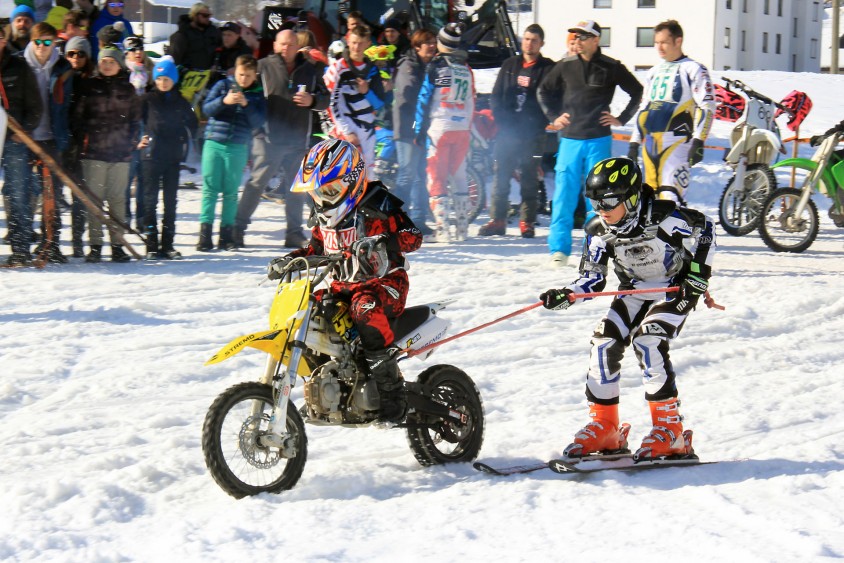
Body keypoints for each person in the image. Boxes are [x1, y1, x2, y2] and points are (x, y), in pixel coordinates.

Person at [539, 156, 715, 461]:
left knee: (648, 340)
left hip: (674, 287)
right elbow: (592, 279)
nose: (602, 211)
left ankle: (671, 432)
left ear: (631, 197)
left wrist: (698, 276)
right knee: (603, 341)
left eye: (608, 202)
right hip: (634, 290)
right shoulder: (598, 230)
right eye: (595, 203)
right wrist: (567, 294)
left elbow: (705, 230)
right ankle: (606, 427)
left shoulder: (664, 218)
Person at [266, 139, 423, 422]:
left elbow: (413, 236)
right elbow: (315, 249)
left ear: (351, 180)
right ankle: (329, 387)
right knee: (310, 312)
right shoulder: (325, 217)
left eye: (330, 190)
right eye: (318, 193)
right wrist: (290, 259)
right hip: (342, 287)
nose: (324, 200)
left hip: (384, 285)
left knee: (365, 309)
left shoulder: (378, 202)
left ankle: (391, 392)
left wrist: (384, 242)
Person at [538, 20, 642, 268]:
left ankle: (596, 248)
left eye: (584, 36)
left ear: (596, 40)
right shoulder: (565, 64)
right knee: (564, 196)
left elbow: (637, 91)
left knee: (600, 199)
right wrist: (554, 117)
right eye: (576, 35)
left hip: (598, 139)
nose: (578, 40)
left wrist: (622, 118)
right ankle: (559, 250)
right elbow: (543, 90)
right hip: (570, 140)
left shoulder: (611, 66)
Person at [233, 29, 328, 250]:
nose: (287, 48)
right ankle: (237, 229)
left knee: (296, 189)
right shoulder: (263, 66)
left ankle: (293, 233)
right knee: (257, 184)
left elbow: (325, 98)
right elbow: (247, 92)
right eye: (283, 44)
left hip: (297, 139)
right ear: (275, 45)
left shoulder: (310, 70)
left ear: (298, 46)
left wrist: (312, 99)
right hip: (269, 138)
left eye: (291, 44)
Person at [628, 20, 716, 204]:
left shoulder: (694, 69)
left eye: (664, 42)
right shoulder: (654, 71)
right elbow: (644, 107)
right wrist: (634, 142)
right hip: (651, 141)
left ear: (678, 41)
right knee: (649, 198)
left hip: (676, 141)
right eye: (656, 42)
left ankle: (674, 232)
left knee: (670, 196)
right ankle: (653, 233)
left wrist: (699, 140)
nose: (659, 47)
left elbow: (707, 106)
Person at [479, 23, 554, 238]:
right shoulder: (510, 65)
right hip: (508, 132)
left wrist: (542, 121)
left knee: (530, 177)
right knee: (501, 175)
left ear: (541, 44)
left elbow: (554, 96)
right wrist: (503, 123)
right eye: (527, 39)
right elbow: (496, 96)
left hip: (533, 134)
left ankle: (527, 221)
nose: (530, 43)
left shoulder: (547, 68)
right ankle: (497, 220)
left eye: (535, 40)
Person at [72, 46, 141, 263]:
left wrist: (130, 143)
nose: (107, 65)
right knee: (95, 201)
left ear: (119, 64)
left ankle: (117, 244)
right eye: (103, 62)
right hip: (95, 152)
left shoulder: (128, 89)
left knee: (118, 200)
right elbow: (78, 117)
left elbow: (135, 120)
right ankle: (95, 245)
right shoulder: (89, 87)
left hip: (120, 154)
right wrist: (84, 137)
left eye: (111, 61)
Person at [197, 54, 266, 251]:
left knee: (230, 192)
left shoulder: (256, 95)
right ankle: (205, 234)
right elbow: (206, 109)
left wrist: (246, 105)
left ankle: (226, 236)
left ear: (254, 76)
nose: (243, 79)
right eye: (240, 74)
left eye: (248, 76)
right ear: (235, 72)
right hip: (214, 143)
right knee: (210, 189)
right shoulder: (222, 85)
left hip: (237, 146)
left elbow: (258, 122)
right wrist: (224, 101)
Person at [415, 23, 475, 243]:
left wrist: (418, 128)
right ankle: (462, 229)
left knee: (437, 178)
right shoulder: (466, 68)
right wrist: (467, 125)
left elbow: (424, 97)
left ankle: (442, 230)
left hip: (440, 127)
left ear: (441, 42)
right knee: (459, 176)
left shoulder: (437, 65)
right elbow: (472, 99)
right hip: (462, 128)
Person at [23, 22, 75, 263]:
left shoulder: (63, 67)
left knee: (52, 193)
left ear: (55, 42)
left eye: (47, 42)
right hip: (23, 136)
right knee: (22, 192)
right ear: (31, 42)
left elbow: (70, 104)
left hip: (53, 137)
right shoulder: (20, 65)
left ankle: (51, 243)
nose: (42, 47)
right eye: (38, 42)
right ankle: (21, 243)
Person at [139, 56, 198, 259]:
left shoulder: (181, 101)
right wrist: (139, 138)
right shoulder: (147, 99)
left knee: (170, 202)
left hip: (172, 158)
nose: (163, 82)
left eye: (167, 79)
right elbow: (134, 121)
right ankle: (151, 245)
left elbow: (193, 123)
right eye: (160, 78)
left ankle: (168, 244)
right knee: (150, 201)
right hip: (151, 156)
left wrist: (185, 136)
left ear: (174, 80)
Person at [1, 26, 43, 266]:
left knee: (18, 193)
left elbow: (35, 105)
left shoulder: (19, 67)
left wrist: (25, 130)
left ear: (4, 40)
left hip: (14, 139)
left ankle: (21, 248)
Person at [392, 29, 437, 235]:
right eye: (428, 43)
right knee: (407, 173)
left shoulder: (427, 66)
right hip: (407, 126)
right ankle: (399, 218)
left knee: (420, 173)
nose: (432, 46)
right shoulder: (408, 66)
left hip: (421, 127)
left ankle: (418, 219)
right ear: (417, 46)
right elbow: (409, 95)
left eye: (434, 42)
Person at [323, 24, 385, 174]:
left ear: (368, 44)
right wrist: (345, 131)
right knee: (342, 172)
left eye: (361, 43)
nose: (357, 47)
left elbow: (379, 104)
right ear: (348, 41)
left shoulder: (372, 70)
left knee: (367, 173)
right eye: (354, 42)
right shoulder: (337, 68)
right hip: (343, 128)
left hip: (366, 130)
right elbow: (327, 102)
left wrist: (366, 91)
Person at [63, 35, 95, 258]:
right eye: (71, 53)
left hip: (82, 144)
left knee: (79, 197)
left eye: (80, 54)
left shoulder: (91, 81)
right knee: (52, 194)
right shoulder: (60, 77)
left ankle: (77, 241)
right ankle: (51, 241)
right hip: (60, 141)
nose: (75, 58)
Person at [168, 2, 221, 71]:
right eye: (205, 15)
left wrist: (216, 64)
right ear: (194, 15)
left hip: (210, 75)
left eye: (209, 15)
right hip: (188, 76)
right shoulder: (182, 34)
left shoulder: (214, 32)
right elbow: (175, 59)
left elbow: (220, 50)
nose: (208, 18)